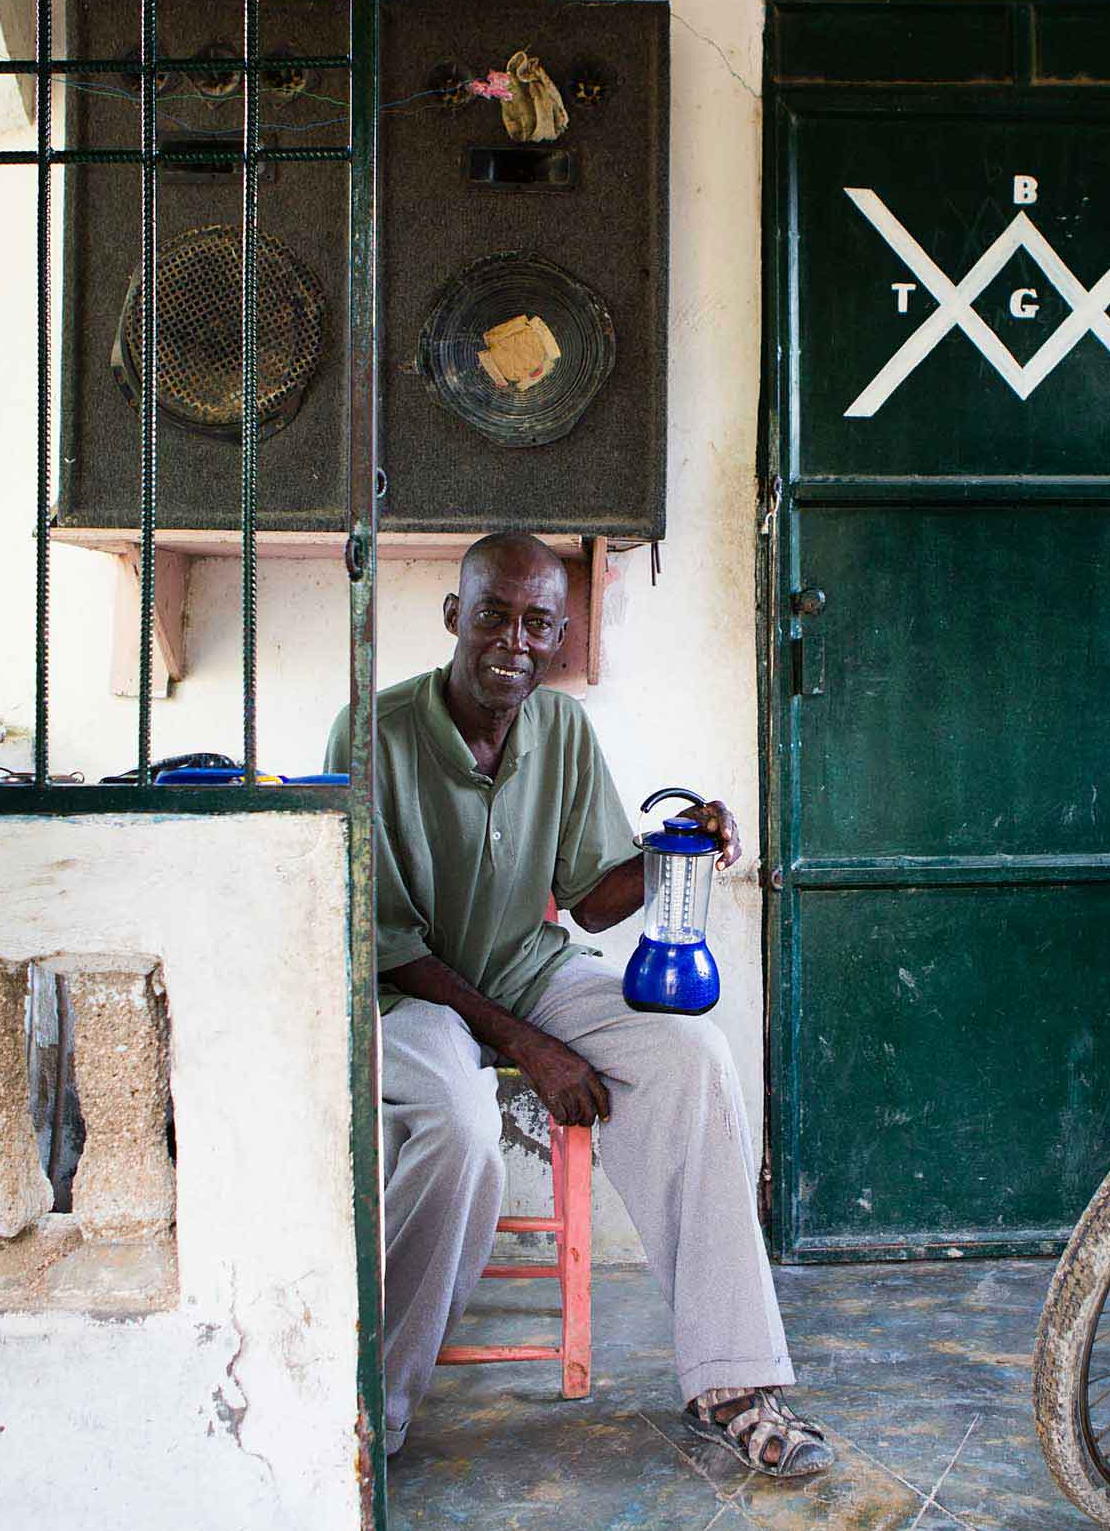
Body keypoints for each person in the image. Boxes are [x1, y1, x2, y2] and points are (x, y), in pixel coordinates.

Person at [326, 531, 831, 1478]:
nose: (513, 641)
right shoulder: (370, 732)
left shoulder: (558, 728)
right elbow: (389, 941)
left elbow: (592, 895)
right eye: (493, 615)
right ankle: (367, 1415)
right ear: (453, 617)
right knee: (460, 1125)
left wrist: (673, 848)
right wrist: (532, 1049)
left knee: (693, 1057)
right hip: (413, 993)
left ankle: (733, 1379)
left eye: (536, 624)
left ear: (558, 637)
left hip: (527, 967)